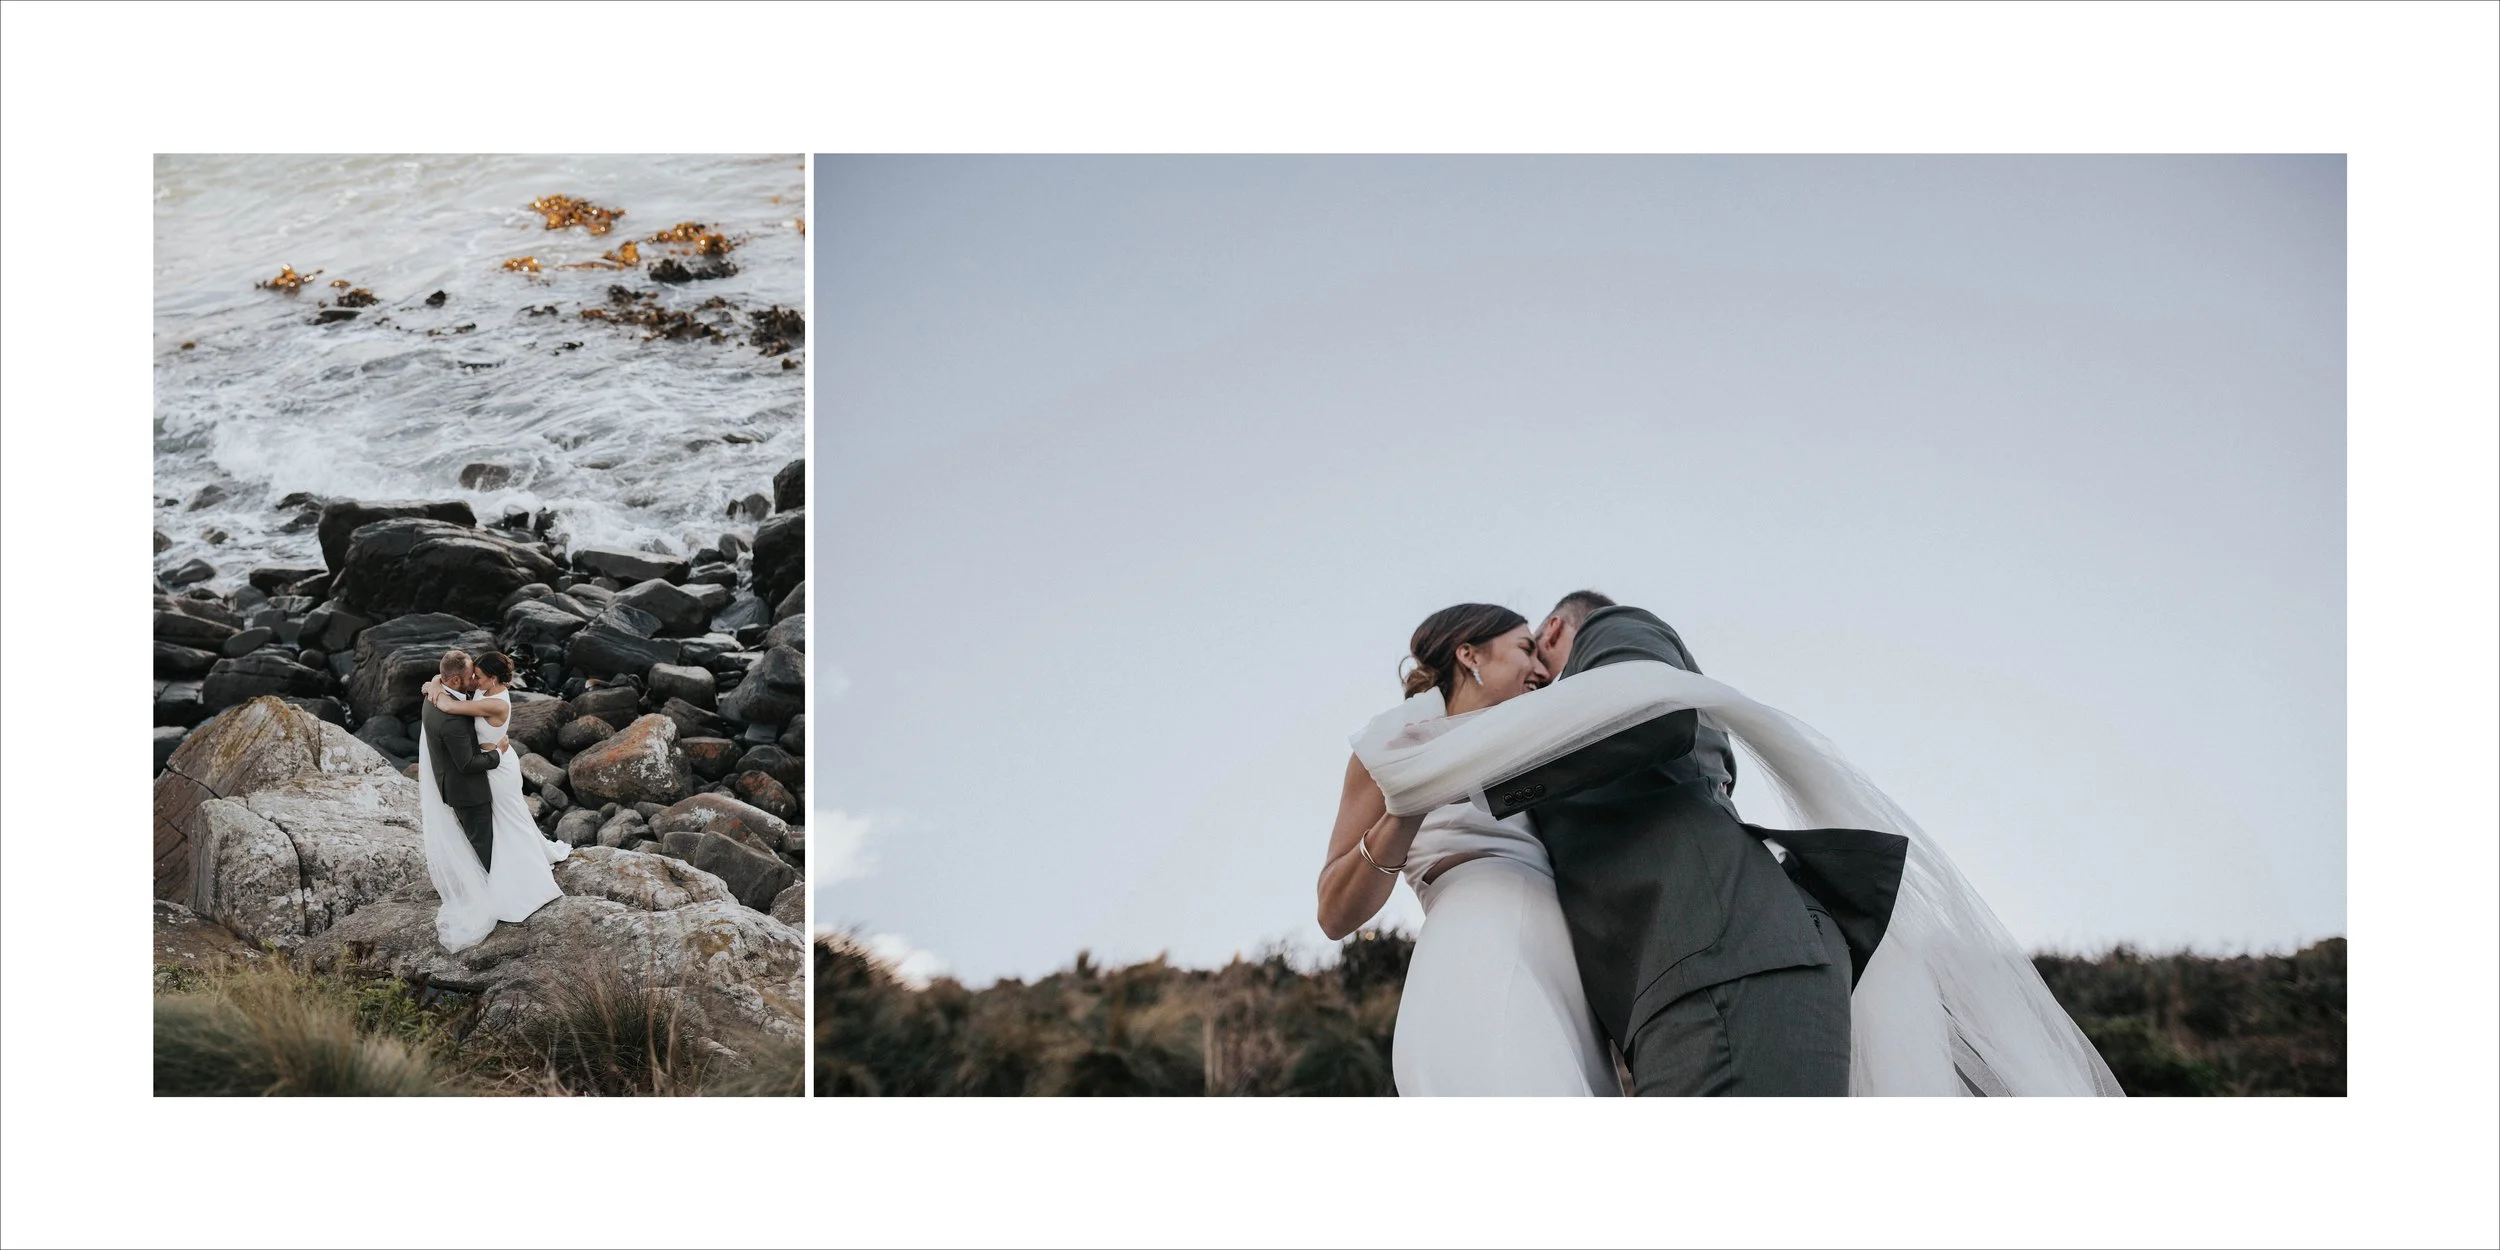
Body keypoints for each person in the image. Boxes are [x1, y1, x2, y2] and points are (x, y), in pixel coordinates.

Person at [1354, 593, 2125, 1096]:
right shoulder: (1518, 737)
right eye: (1522, 657)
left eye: (1536, 653)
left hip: (1718, 961)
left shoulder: (1613, 638)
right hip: (1673, 984)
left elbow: (1657, 717)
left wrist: (1479, 783)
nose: (1536, 682)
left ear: (1558, 629)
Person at [1318, 604, 1617, 1095]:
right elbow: (1334, 914)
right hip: (1478, 934)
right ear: (1469, 653)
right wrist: (1408, 805)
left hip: (1570, 967)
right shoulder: (1390, 750)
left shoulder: (1548, 748)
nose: (1543, 671)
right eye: (1525, 649)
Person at [415, 649, 568, 952]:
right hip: (490, 764)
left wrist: (437, 690)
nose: (473, 680)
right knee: (508, 820)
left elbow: (448, 704)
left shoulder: (491, 702)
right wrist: (434, 683)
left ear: (493, 678)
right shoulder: (482, 692)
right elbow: (442, 687)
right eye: (471, 675)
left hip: (498, 767)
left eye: (478, 676)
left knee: (509, 819)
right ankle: (521, 862)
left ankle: (523, 877)